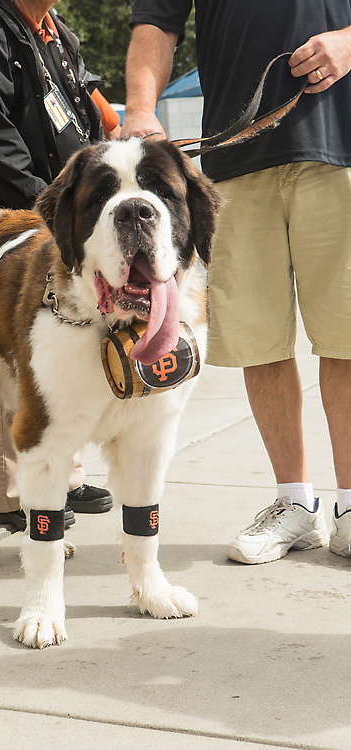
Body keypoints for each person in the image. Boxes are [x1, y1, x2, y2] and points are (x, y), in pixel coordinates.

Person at [121, 1, 351, 564]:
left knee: (348, 337)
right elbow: (157, 21)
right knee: (258, 341)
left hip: (342, 147)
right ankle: (294, 503)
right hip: (234, 162)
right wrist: (140, 110)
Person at [0, 0, 117, 530]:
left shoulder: (53, 30)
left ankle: (64, 476)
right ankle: (9, 493)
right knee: (9, 353)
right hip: (14, 223)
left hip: (61, 219)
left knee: (61, 344)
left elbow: (85, 113)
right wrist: (52, 204)